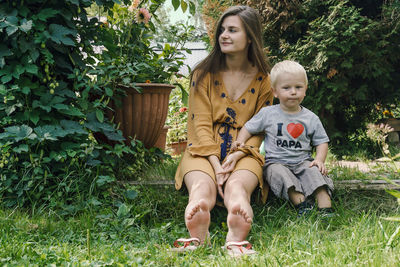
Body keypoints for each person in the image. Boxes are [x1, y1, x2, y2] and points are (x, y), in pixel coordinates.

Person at [172, 6, 274, 256]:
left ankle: (236, 229)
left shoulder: (265, 81)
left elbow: (260, 128)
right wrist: (217, 165)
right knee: (201, 187)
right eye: (222, 30)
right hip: (202, 150)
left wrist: (237, 155)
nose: (224, 35)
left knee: (238, 186)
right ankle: (199, 227)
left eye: (232, 30)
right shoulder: (203, 73)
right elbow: (200, 124)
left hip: (245, 152)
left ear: (250, 37)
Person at [231, 60, 335, 218]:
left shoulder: (310, 118)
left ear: (305, 90)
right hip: (276, 162)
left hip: (303, 160)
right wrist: (240, 140)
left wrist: (319, 160)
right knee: (276, 173)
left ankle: (325, 207)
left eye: (298, 87)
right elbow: (249, 127)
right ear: (275, 92)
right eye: (286, 88)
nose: (293, 92)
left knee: (314, 173)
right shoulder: (268, 114)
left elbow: (321, 141)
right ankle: (302, 203)